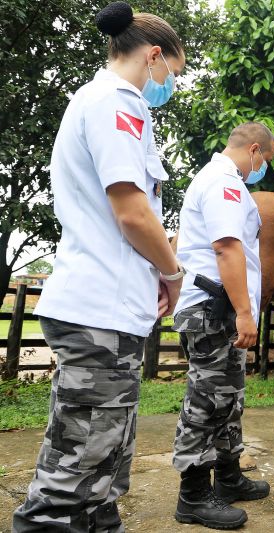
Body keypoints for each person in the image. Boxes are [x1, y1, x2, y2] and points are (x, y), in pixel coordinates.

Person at [12, 3, 185, 531]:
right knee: (76, 473)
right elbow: (133, 213)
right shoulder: (118, 104)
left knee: (102, 469)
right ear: (154, 56)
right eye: (173, 74)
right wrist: (173, 274)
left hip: (107, 310)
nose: (169, 85)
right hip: (98, 312)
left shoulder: (100, 101)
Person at [171, 122, 274, 529]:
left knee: (228, 398)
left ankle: (228, 478)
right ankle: (193, 496)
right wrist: (245, 313)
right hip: (214, 310)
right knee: (207, 400)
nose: (262, 168)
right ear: (254, 150)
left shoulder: (222, 181)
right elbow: (226, 247)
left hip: (220, 309)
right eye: (264, 161)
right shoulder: (222, 183)